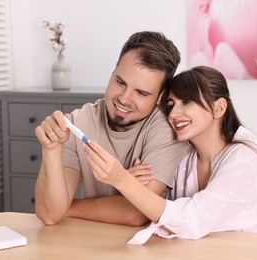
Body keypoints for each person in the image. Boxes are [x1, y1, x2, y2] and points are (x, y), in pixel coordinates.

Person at [83, 66, 257, 244]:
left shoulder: (244, 158)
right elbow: (152, 207)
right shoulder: (185, 156)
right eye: (171, 104)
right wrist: (135, 184)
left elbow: (191, 220)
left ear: (219, 108)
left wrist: (121, 181)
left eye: (187, 102)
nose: (175, 113)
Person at [34, 31, 189, 226]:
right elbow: (50, 214)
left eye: (141, 93)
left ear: (160, 97)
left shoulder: (166, 128)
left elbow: (137, 213)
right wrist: (51, 150)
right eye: (120, 82)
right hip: (89, 241)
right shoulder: (78, 123)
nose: (124, 99)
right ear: (113, 73)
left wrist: (68, 207)